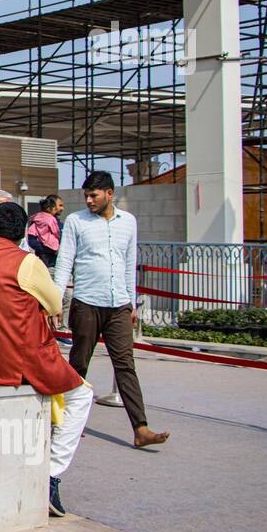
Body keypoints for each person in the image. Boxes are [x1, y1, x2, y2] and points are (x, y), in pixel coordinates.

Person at [0, 202, 94, 517]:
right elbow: (55, 303)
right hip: (13, 360)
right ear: (24, 232)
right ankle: (52, 474)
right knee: (83, 394)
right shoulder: (26, 263)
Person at [54, 171, 169, 448]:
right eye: (86, 196)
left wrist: (131, 301)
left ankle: (140, 429)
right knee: (79, 364)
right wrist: (56, 300)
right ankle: (69, 420)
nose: (89, 200)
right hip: (86, 303)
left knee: (125, 365)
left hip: (119, 305)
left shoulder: (128, 222)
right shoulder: (75, 221)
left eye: (94, 195)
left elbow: (130, 262)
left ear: (109, 194)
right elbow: (65, 260)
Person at [26, 195, 63, 269]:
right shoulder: (45, 220)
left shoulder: (39, 218)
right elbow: (32, 240)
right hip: (48, 260)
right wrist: (50, 250)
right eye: (60, 205)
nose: (62, 208)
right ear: (52, 207)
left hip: (57, 261)